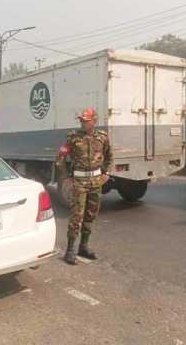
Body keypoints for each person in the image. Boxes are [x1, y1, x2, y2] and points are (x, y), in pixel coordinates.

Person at [55, 107, 112, 265]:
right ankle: (70, 250)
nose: (83, 123)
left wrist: (106, 173)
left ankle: (84, 247)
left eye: (86, 121)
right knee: (76, 217)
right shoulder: (73, 138)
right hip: (79, 183)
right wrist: (66, 177)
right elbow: (60, 158)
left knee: (90, 216)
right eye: (81, 120)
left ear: (94, 121)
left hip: (96, 182)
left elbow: (109, 156)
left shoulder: (102, 137)